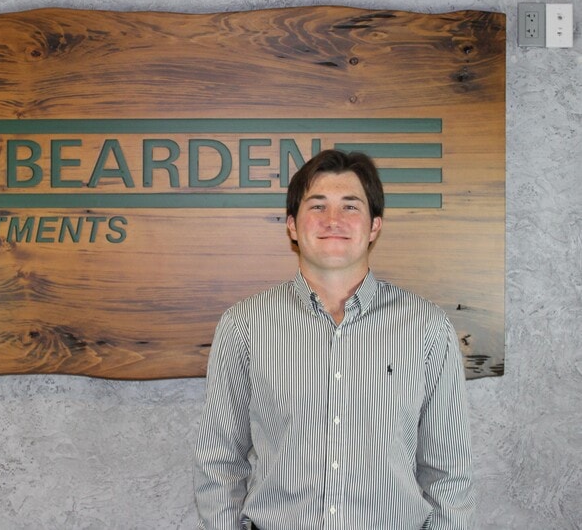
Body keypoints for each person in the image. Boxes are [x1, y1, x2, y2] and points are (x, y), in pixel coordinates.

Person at [193, 150, 474, 529]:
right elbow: (219, 462)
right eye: (317, 206)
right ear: (292, 226)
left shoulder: (426, 328)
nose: (333, 220)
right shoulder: (244, 325)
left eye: (350, 206)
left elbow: (449, 473)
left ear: (374, 226)